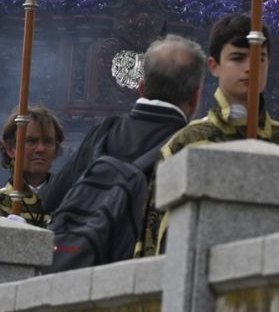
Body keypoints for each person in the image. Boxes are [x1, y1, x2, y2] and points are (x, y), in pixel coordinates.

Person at [140, 13, 279, 254]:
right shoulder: (185, 144)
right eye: (238, 58)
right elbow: (154, 235)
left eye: (259, 58)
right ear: (214, 66)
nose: (250, 68)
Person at [41, 34, 205, 214]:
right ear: (196, 97)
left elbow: (49, 201)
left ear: (141, 88)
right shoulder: (196, 146)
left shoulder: (105, 131)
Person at [0, 105, 65, 226]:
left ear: (55, 151)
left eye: (48, 141)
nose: (41, 148)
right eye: (31, 141)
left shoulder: (69, 204)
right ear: (10, 149)